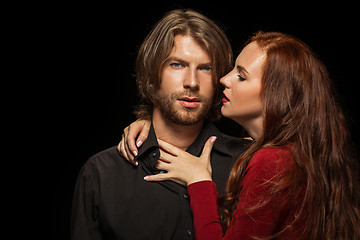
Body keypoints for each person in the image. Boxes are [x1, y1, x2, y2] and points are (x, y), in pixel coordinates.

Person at [119, 31, 360, 239]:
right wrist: (151, 123)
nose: (224, 79)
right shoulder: (297, 154)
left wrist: (199, 180)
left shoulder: (272, 161)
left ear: (275, 95)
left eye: (241, 76)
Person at [70, 9, 251, 240]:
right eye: (177, 65)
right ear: (152, 75)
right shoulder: (102, 175)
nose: (192, 82)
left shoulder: (248, 162)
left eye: (206, 68)